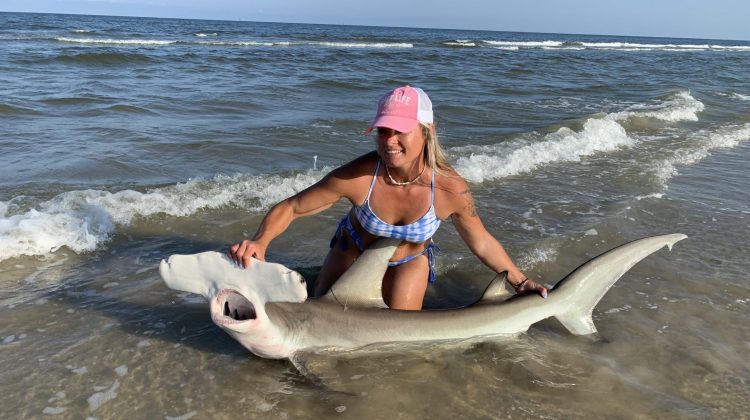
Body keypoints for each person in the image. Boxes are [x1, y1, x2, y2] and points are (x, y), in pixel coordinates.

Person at [229, 85, 548, 310]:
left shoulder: (450, 190)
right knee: (319, 313)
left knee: (396, 341)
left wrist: (520, 282)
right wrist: (261, 241)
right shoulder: (359, 177)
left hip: (407, 260)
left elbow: (480, 241)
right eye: (383, 130)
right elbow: (293, 207)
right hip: (353, 247)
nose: (390, 141)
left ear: (427, 131)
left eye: (400, 130)